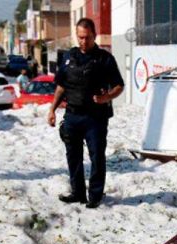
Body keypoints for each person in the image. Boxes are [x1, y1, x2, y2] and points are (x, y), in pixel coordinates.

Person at [48, 18, 124, 209]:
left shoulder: (105, 58)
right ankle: (78, 192)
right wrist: (52, 109)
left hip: (95, 118)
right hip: (72, 115)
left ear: (94, 36)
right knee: (73, 156)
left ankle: (95, 195)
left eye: (87, 38)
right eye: (80, 37)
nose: (83, 41)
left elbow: (119, 86)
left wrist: (106, 97)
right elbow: (61, 86)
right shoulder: (68, 57)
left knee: (97, 156)